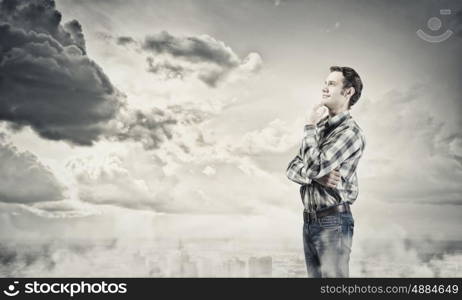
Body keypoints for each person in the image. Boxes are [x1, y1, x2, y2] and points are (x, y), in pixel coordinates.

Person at [286, 66, 366, 277]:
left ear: (348, 92)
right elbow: (291, 168)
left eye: (331, 84)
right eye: (325, 83)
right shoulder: (320, 128)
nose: (324, 88)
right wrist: (319, 178)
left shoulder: (349, 133)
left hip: (333, 222)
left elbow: (310, 167)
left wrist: (309, 124)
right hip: (310, 221)